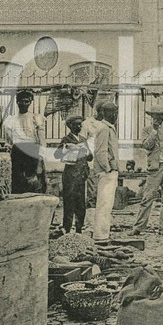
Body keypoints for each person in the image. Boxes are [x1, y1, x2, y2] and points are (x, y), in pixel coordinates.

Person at [133, 105, 163, 236]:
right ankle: (139, 227)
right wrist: (154, 132)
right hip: (154, 168)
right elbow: (147, 146)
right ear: (151, 117)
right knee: (147, 198)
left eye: (161, 116)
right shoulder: (146, 130)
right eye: (156, 116)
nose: (159, 119)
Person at [3, 89, 47, 194]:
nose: (24, 104)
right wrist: (8, 146)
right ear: (17, 102)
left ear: (30, 103)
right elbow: (9, 139)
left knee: (32, 176)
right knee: (17, 177)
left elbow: (41, 136)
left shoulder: (35, 118)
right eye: (21, 101)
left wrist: (42, 152)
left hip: (32, 148)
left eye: (27, 101)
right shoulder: (11, 119)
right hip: (17, 149)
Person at [54, 115, 92, 234]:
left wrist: (86, 152)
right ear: (70, 126)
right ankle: (67, 227)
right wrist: (68, 150)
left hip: (81, 175)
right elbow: (57, 155)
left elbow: (90, 157)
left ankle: (80, 226)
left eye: (80, 124)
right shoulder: (66, 139)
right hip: (70, 175)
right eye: (77, 124)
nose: (79, 127)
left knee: (80, 202)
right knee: (69, 201)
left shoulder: (83, 139)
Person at [92, 101, 120, 241]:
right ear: (104, 113)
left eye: (115, 112)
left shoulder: (109, 127)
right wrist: (108, 169)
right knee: (104, 204)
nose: (114, 115)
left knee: (107, 204)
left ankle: (104, 233)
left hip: (109, 170)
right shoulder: (103, 128)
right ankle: (100, 235)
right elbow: (100, 151)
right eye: (111, 112)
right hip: (106, 172)